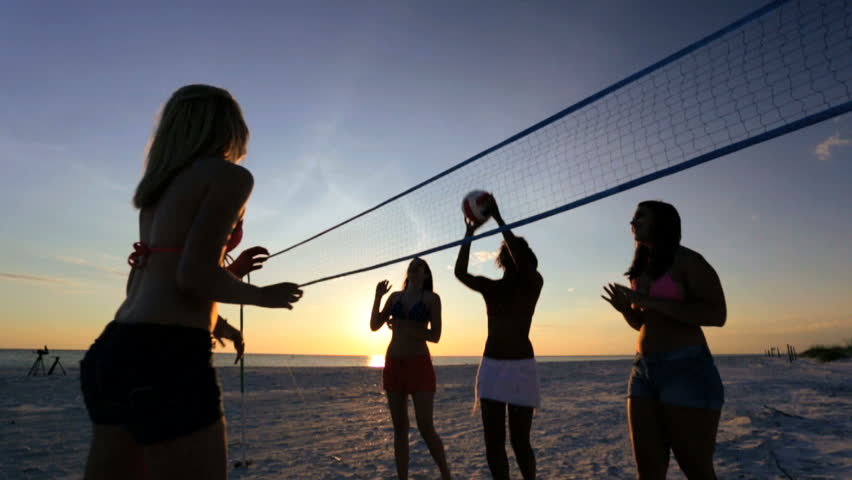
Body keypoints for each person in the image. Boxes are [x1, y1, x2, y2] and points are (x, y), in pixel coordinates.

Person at [79, 84, 303, 480]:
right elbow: (193, 275)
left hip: (112, 351)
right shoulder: (230, 177)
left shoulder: (156, 191)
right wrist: (262, 296)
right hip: (167, 356)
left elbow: (155, 282)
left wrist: (229, 283)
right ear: (228, 127)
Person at [602, 200, 726, 480]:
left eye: (641, 217)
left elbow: (717, 314)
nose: (633, 223)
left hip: (686, 368)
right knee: (647, 472)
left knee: (696, 469)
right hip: (643, 370)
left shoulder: (688, 261)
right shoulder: (642, 267)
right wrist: (626, 309)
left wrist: (647, 300)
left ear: (662, 222)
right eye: (633, 218)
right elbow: (642, 324)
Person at [454, 195, 543, 480]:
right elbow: (459, 272)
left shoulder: (533, 283)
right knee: (493, 443)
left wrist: (501, 219)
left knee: (519, 442)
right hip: (492, 367)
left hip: (520, 367)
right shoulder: (490, 287)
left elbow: (522, 261)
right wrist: (468, 234)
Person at [371, 257, 452, 480]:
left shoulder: (432, 299)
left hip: (419, 365)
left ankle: (446, 474)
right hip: (394, 364)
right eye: (411, 268)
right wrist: (378, 297)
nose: (414, 271)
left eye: (419, 268)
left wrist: (405, 327)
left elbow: (435, 336)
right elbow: (375, 325)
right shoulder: (395, 297)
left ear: (426, 274)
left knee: (426, 427)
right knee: (400, 429)